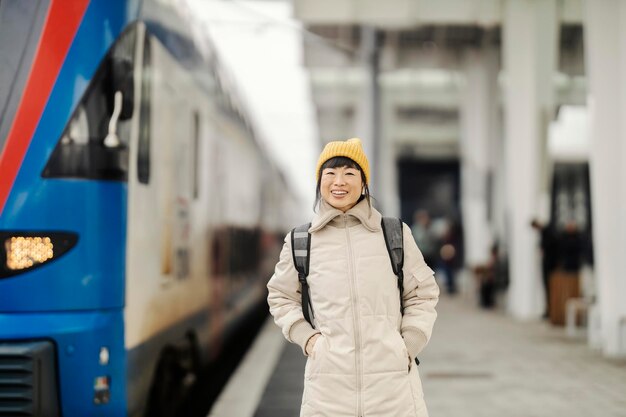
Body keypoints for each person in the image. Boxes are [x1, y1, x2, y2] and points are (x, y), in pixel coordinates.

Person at [267, 138, 440, 417]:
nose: (339, 182)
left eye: (350, 173)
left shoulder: (394, 233)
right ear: (320, 181)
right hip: (327, 390)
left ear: (363, 183)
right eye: (331, 173)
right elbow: (281, 296)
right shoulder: (301, 241)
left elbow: (422, 293)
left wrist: (408, 344)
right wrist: (310, 341)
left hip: (392, 389)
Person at [530, 218, 558, 318]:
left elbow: (549, 246)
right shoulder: (545, 232)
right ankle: (548, 310)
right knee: (547, 288)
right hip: (548, 264)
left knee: (549, 287)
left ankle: (550, 310)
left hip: (549, 265)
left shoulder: (547, 232)